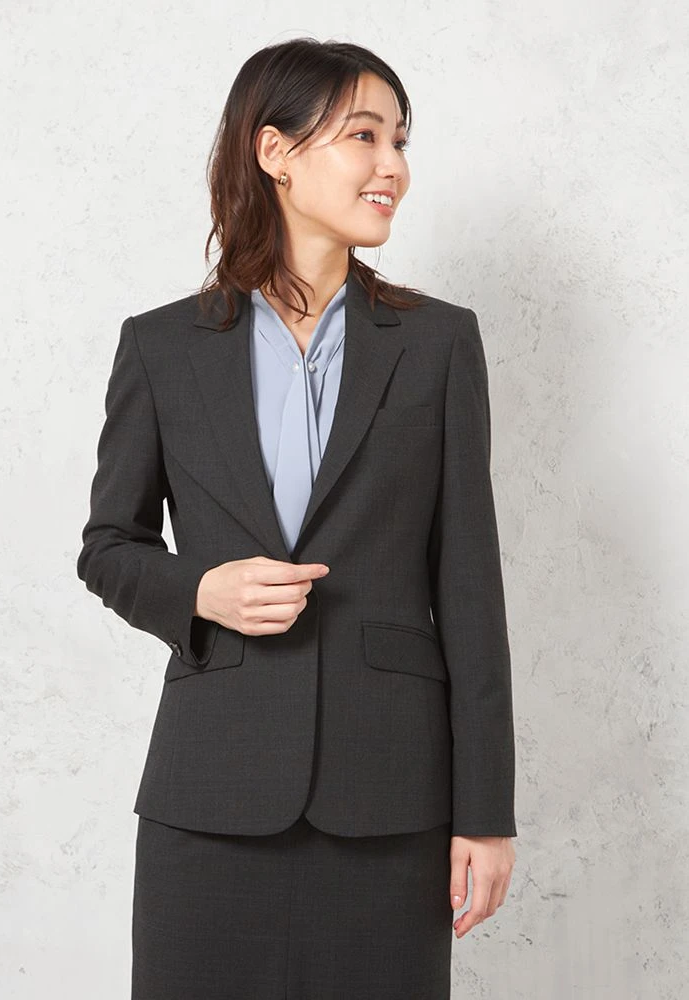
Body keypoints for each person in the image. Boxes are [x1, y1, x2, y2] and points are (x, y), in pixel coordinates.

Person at [77, 36, 517, 1000]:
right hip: (212, 796)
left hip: (389, 799)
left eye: (400, 140)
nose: (393, 165)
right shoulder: (162, 347)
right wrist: (201, 590)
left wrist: (486, 814)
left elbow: (470, 587)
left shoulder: (439, 343)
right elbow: (109, 547)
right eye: (365, 136)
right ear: (275, 151)